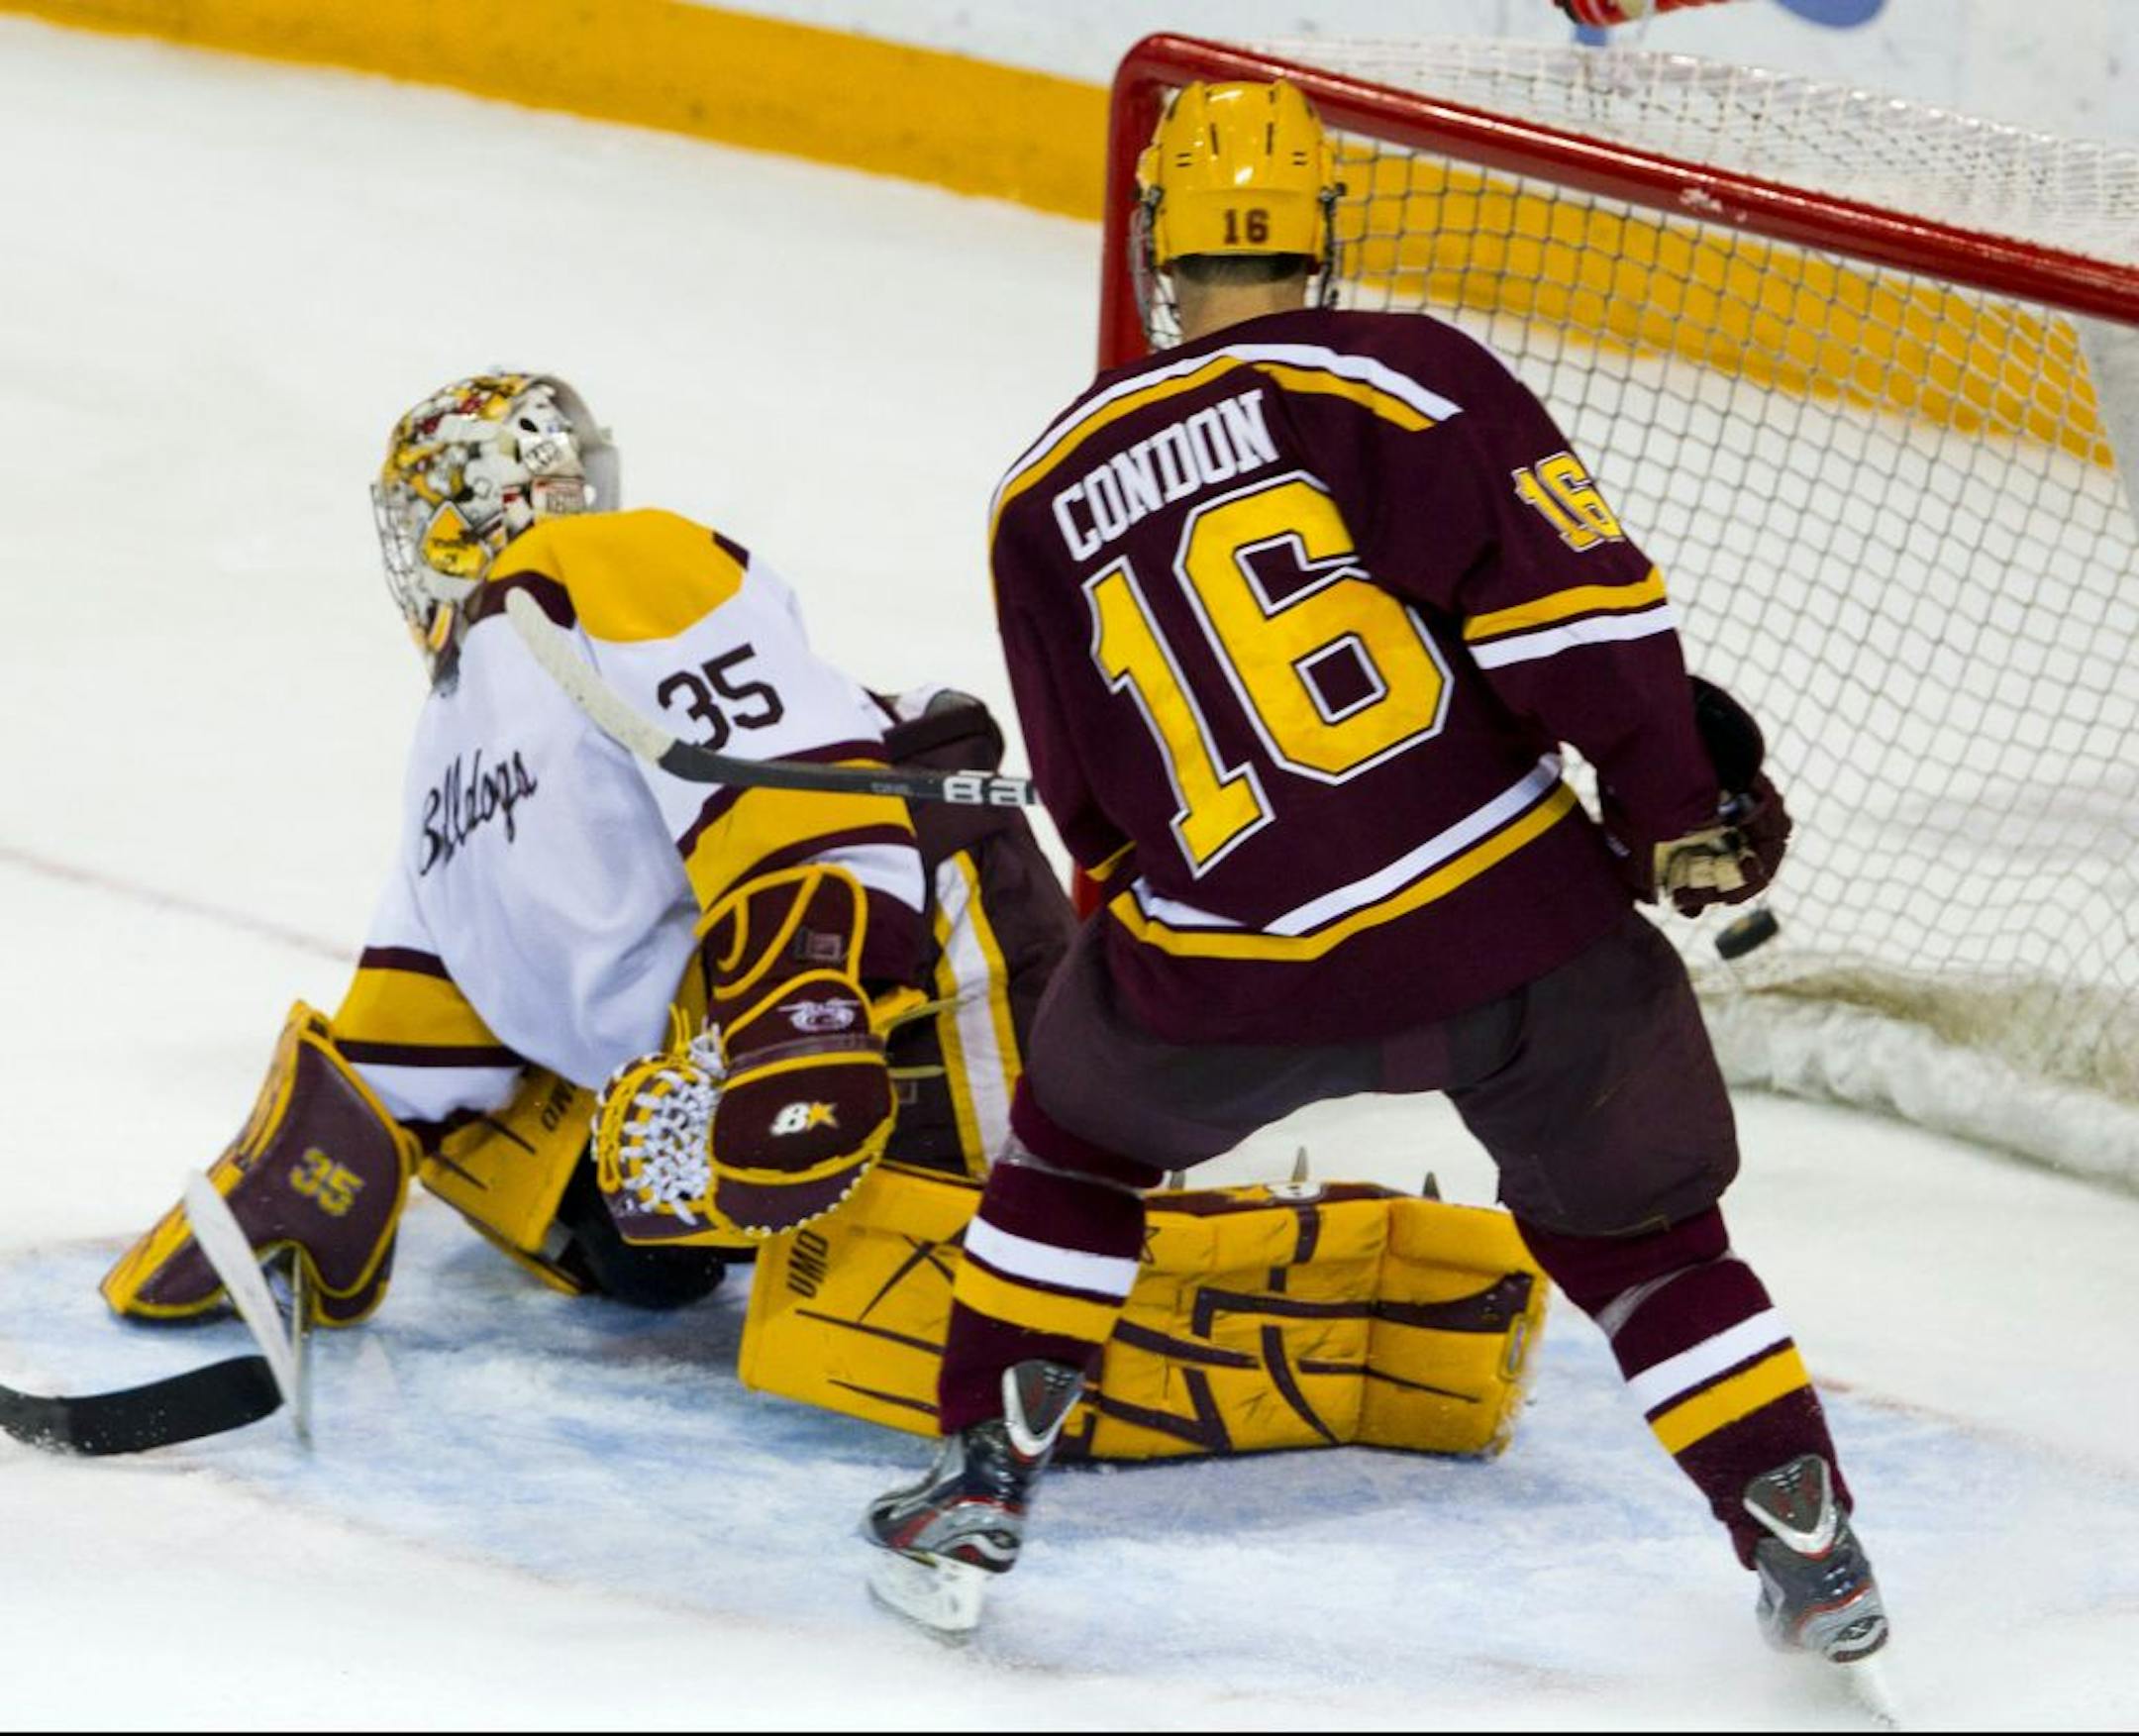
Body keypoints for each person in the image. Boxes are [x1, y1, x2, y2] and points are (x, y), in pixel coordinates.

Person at [863, 81, 1886, 1665]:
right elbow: (1576, 626)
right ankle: (1800, 1531)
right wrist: (1675, 804)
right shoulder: (1405, 376)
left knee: (1071, 1153)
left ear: (1155, 252)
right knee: (1647, 1242)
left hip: (1226, 970)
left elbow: (1095, 816)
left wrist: (1185, 951)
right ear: (1321, 241)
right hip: (1515, 933)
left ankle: (978, 1478)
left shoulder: (1037, 488)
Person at [102, 371, 1071, 1327]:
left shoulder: (611, 560)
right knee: (511, 1156)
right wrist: (291, 1183)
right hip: (763, 1079)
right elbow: (420, 1009)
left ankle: (1049, 1206)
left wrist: (799, 1013)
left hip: (935, 968)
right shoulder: (449, 733)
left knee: (978, 1304)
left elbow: (787, 784)